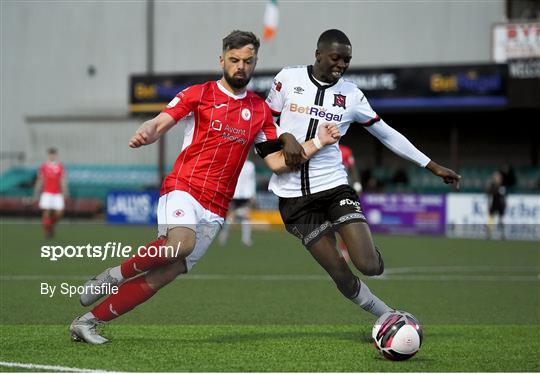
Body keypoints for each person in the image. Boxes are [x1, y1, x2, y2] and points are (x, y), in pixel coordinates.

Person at [69, 30, 341, 344]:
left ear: (255, 63)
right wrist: (147, 132)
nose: (241, 66)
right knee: (181, 243)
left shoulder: (260, 112)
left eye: (248, 61)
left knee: (164, 274)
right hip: (184, 187)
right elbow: (160, 122)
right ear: (222, 60)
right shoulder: (199, 94)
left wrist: (318, 141)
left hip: (216, 207)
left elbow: (278, 163)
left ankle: (87, 322)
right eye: (234, 60)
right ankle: (113, 276)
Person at [264, 29, 461, 319]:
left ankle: (364, 244)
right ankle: (387, 315)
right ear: (318, 54)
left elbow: (387, 134)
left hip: (333, 187)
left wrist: (431, 165)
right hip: (293, 198)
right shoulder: (287, 79)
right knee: (339, 272)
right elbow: (265, 122)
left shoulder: (352, 95)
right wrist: (285, 138)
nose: (341, 65)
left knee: (369, 265)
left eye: (347, 60)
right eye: (335, 58)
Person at [218, 159, 257, 246]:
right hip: (235, 194)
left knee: (246, 217)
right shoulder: (234, 162)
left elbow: (252, 180)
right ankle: (224, 235)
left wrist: (253, 195)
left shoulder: (250, 165)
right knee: (231, 216)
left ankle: (246, 239)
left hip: (246, 195)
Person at [33, 148, 68, 238]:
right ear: (48, 155)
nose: (52, 156)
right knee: (46, 212)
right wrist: (36, 192)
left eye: (53, 154)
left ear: (55, 155)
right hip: (47, 193)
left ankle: (50, 226)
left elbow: (63, 180)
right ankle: (47, 231)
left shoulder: (60, 166)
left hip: (57, 193)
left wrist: (65, 192)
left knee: (59, 213)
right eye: (50, 154)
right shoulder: (44, 166)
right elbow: (40, 180)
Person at [486, 171, 507, 240]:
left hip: (500, 204)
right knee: (491, 219)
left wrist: (504, 205)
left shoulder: (502, 185)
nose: (497, 178)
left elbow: (503, 196)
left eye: (498, 177)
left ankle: (502, 234)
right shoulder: (492, 185)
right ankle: (489, 234)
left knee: (501, 219)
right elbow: (489, 194)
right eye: (496, 177)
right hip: (493, 203)